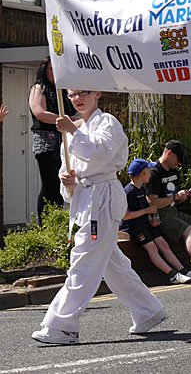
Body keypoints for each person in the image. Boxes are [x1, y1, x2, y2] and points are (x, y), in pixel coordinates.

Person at [31, 89, 165, 345]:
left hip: (103, 200)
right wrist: (67, 182)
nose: (77, 98)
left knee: (84, 260)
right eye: (72, 94)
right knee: (109, 262)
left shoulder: (107, 123)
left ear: (97, 93)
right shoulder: (69, 131)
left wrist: (72, 131)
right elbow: (67, 177)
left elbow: (100, 154)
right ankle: (148, 310)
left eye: (83, 92)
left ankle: (62, 324)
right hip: (85, 201)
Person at [121, 158, 191, 284]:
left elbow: (145, 209)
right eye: (148, 172)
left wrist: (151, 219)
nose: (150, 174)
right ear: (142, 174)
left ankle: (183, 270)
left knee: (164, 245)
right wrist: (146, 212)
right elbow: (125, 216)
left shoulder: (142, 188)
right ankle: (172, 274)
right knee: (152, 247)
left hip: (145, 223)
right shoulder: (128, 192)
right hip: (135, 227)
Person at [145, 140, 191, 280]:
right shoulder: (154, 173)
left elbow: (174, 199)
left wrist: (184, 195)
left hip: (173, 211)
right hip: (160, 215)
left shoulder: (174, 172)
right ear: (169, 153)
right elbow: (152, 203)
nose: (180, 164)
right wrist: (175, 197)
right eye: (178, 160)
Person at [28, 56, 77, 221]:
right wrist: (64, 120)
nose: (54, 74)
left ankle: (57, 223)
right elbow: (40, 113)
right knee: (50, 184)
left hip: (64, 141)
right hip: (46, 142)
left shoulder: (64, 91)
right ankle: (45, 225)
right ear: (44, 70)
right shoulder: (38, 88)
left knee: (62, 184)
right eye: (51, 70)